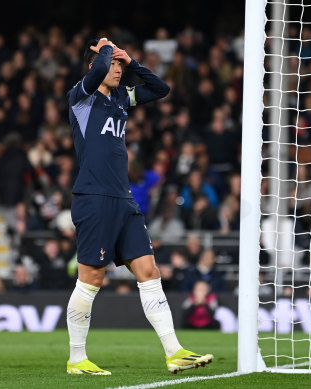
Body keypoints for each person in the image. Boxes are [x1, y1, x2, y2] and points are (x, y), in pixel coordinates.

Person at [65, 38, 213, 376]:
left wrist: (131, 62)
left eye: (119, 66)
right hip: (94, 198)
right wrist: (105, 48)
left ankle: (174, 352)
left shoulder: (119, 98)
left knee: (149, 272)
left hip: (124, 200)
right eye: (112, 65)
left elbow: (159, 89)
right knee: (91, 279)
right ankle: (76, 358)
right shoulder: (81, 97)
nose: (117, 70)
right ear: (95, 66)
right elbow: (100, 66)